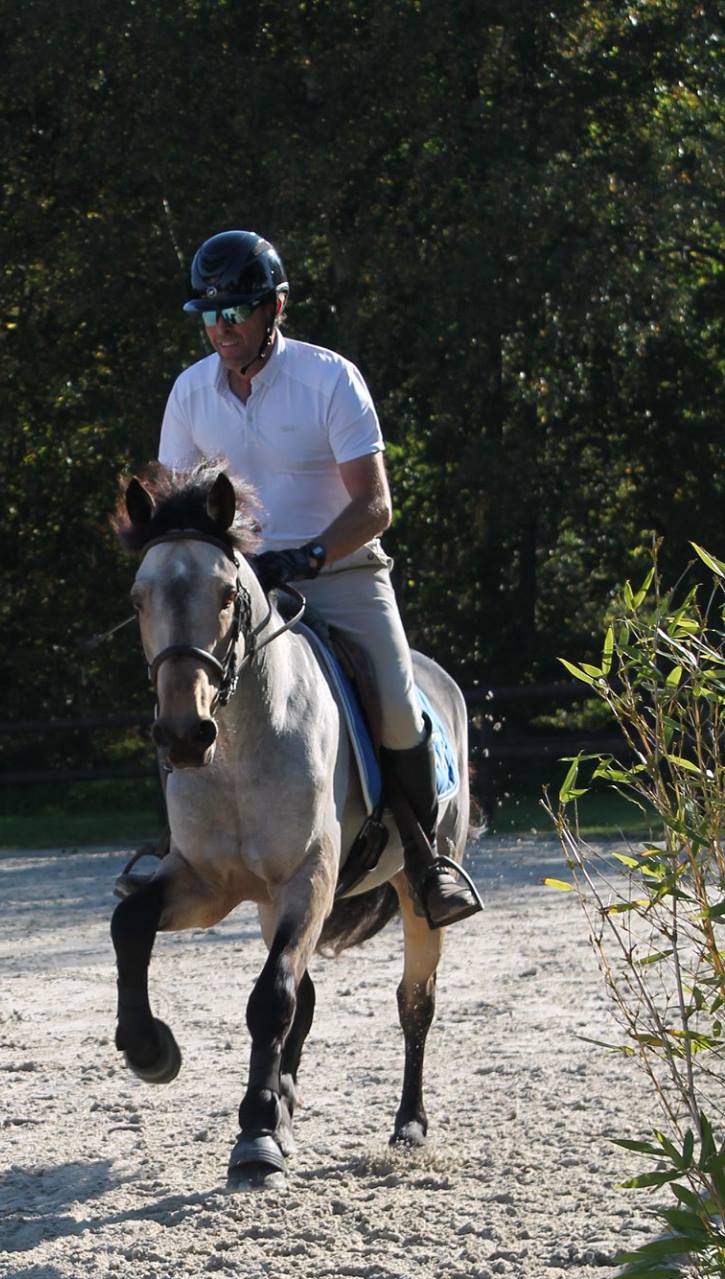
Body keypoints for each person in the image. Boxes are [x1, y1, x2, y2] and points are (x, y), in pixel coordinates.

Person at [139, 228, 481, 929]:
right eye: (209, 315)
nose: (221, 328)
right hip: (240, 589)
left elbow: (375, 505)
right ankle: (175, 846)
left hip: (342, 572)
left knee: (395, 707)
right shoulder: (189, 393)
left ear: (275, 308)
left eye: (236, 312)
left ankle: (424, 860)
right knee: (179, 684)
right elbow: (179, 512)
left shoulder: (329, 379)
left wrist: (308, 557)